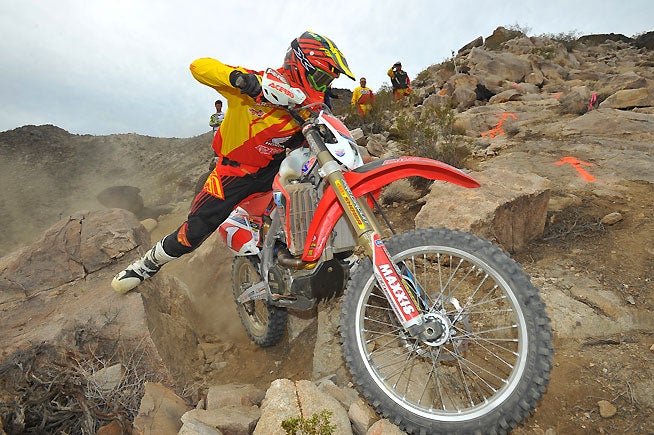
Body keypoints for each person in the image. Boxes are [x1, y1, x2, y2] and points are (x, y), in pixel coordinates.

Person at [111, 31, 355, 294]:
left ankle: (333, 257)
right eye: (321, 78)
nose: (323, 87)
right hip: (232, 173)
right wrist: (240, 80)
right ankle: (147, 264)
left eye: (328, 81)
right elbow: (199, 66)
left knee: (314, 194)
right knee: (194, 232)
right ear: (298, 65)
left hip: (272, 172)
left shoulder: (310, 103)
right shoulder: (259, 83)